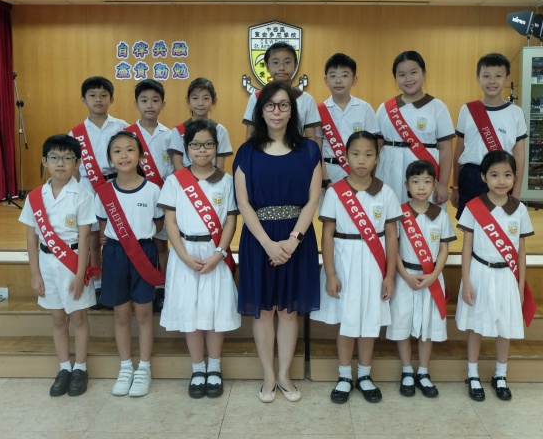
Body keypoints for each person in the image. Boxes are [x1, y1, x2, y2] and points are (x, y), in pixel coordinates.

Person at [234, 81, 322, 403]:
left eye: (283, 105)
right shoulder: (247, 152)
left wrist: (293, 241)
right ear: (261, 111)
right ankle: (268, 376)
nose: (277, 111)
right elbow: (243, 204)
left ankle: (284, 375)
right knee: (264, 311)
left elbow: (312, 200)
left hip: (297, 239)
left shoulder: (309, 150)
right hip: (259, 239)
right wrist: (269, 244)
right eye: (270, 105)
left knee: (288, 312)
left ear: (292, 111)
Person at [310, 131, 400, 404]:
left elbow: (392, 235)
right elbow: (327, 234)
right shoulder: (335, 192)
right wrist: (330, 273)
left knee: (370, 321)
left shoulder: (386, 192)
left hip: (374, 264)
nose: (362, 160)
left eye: (369, 154)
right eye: (356, 154)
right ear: (346, 156)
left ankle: (364, 374)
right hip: (344, 261)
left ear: (377, 158)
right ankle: (344, 375)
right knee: (347, 322)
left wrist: (390, 275)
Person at [158, 119, 241, 399]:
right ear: (186, 148)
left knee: (215, 311)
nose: (202, 150)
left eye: (208, 144)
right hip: (185, 255)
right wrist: (182, 255)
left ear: (217, 147)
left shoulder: (226, 181)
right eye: (195, 145)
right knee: (190, 313)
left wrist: (220, 253)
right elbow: (170, 221)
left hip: (215, 254)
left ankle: (214, 367)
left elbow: (230, 220)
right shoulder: (175, 181)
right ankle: (197, 368)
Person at [19, 134, 96, 397]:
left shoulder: (82, 195)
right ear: (45, 161)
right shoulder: (35, 197)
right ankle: (64, 367)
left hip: (72, 263)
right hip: (46, 263)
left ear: (77, 162)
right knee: (58, 318)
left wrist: (80, 274)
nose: (60, 163)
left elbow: (85, 238)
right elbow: (32, 236)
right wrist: (35, 274)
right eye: (54, 158)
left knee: (78, 318)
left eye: (67, 158)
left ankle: (80, 368)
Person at [455, 150, 535, 402]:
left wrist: (520, 286)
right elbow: (466, 247)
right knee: (475, 326)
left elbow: (521, 251)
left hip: (507, 276)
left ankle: (500, 374)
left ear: (515, 177)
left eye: (507, 175)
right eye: (495, 175)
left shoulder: (519, 209)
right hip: (479, 273)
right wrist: (466, 281)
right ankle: (472, 374)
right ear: (483, 177)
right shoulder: (473, 207)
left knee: (505, 327)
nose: (501, 181)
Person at [94, 131, 164, 397]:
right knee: (121, 314)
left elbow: (158, 224)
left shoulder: (153, 190)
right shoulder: (104, 192)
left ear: (141, 156)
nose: (124, 155)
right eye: (117, 151)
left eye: (130, 149)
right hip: (114, 254)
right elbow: (103, 227)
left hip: (143, 252)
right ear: (110, 159)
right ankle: (125, 367)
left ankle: (144, 368)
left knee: (144, 313)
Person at [385, 160, 456, 398]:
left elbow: (444, 250)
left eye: (427, 181)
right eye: (416, 181)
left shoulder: (440, 215)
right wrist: (404, 275)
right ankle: (407, 370)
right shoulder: (399, 213)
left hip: (432, 279)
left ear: (435, 184)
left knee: (428, 327)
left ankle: (423, 371)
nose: (422, 187)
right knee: (402, 323)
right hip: (405, 277)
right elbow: (393, 248)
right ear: (407, 185)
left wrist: (434, 275)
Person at [70, 76, 129, 309]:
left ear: (111, 99)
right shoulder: (76, 132)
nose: (98, 99)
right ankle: (97, 283)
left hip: (117, 185)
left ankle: (119, 283)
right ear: (83, 99)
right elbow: (74, 167)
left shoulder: (122, 127)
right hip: (88, 188)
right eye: (92, 95)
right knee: (93, 238)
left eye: (104, 95)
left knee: (118, 238)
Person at [450, 53, 527, 219]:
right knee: (470, 225)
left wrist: (516, 191)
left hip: (502, 178)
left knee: (500, 224)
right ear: (478, 79)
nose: (492, 81)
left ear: (507, 79)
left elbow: (519, 154)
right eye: (486, 76)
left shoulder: (516, 112)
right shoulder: (467, 110)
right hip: (471, 176)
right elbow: (458, 151)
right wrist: (455, 186)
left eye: (498, 76)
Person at [374, 51, 454, 206]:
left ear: (423, 74)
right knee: (390, 213)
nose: (408, 79)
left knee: (423, 216)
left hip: (424, 175)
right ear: (396, 78)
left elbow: (446, 149)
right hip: (389, 172)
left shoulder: (438, 107)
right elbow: (376, 147)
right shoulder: (385, 108)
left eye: (413, 72)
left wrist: (444, 184)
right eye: (401, 75)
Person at [126, 79, 173, 308]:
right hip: (135, 199)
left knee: (161, 244)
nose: (150, 105)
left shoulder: (170, 135)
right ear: (136, 104)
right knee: (139, 243)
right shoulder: (127, 135)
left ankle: (162, 286)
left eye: (155, 100)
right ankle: (141, 283)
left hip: (162, 198)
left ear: (163, 104)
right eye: (144, 100)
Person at [316, 53, 379, 193]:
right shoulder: (319, 111)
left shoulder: (365, 108)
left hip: (359, 174)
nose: (338, 81)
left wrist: (369, 176)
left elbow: (373, 146)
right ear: (325, 80)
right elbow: (317, 149)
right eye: (333, 76)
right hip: (329, 174)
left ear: (354, 80)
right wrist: (325, 180)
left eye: (344, 75)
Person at [242, 42, 321, 146]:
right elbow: (251, 135)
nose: (281, 67)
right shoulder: (257, 97)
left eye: (287, 62)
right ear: (267, 66)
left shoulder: (306, 99)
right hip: (263, 152)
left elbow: (310, 137)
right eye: (275, 62)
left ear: (295, 65)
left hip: (296, 152)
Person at [168, 77, 233, 171]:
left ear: (214, 101)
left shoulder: (220, 130)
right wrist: (189, 180)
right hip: (185, 179)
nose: (200, 103)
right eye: (195, 98)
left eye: (206, 98)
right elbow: (177, 164)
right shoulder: (178, 130)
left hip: (212, 178)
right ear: (188, 101)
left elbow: (220, 166)